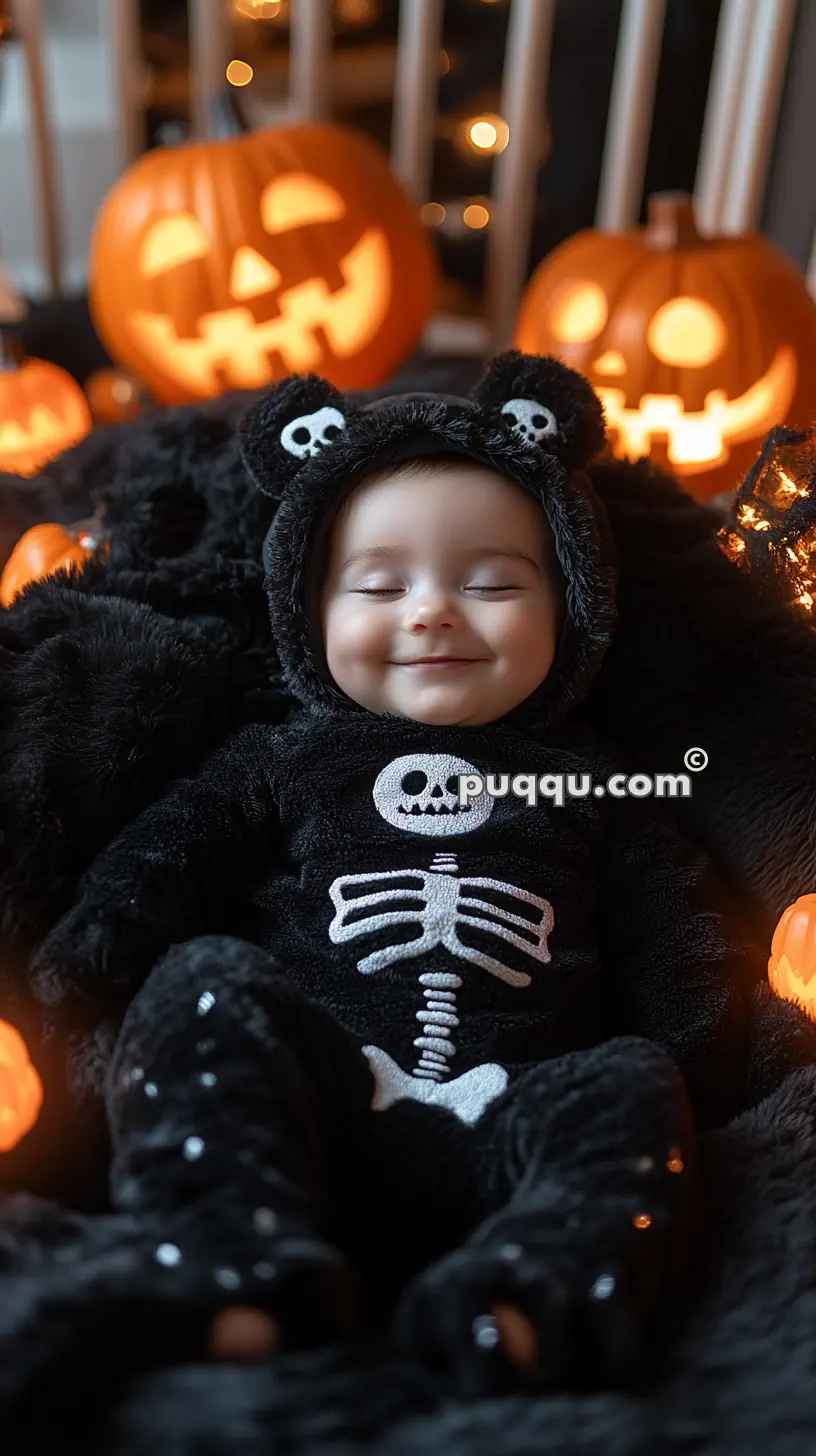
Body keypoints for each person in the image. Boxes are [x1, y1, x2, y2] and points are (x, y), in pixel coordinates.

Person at [29, 352, 791, 1396]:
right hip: (306, 1106)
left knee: (629, 1080)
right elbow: (170, 856)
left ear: (572, 603)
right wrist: (76, 961)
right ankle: (233, 1258)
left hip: (516, 1123)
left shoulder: (597, 785)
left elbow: (680, 933)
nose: (432, 612)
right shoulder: (286, 758)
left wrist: (723, 1063)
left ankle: (532, 1292)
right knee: (202, 981)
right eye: (380, 585)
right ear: (308, 610)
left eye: (491, 582)